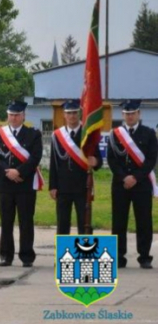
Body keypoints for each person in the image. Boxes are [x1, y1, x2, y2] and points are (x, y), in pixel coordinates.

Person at [0, 100, 43, 267]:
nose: (13, 118)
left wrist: (19, 172)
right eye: (11, 115)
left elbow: (35, 157)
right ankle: (6, 256)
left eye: (17, 115)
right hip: (5, 184)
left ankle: (27, 256)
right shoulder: (0, 134)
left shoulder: (33, 134)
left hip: (25, 184)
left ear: (23, 116)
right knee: (6, 222)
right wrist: (9, 172)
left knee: (26, 221)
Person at [108, 99, 157, 269]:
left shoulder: (149, 133)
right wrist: (124, 178)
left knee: (143, 221)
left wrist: (135, 177)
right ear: (123, 115)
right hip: (120, 185)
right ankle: (119, 257)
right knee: (119, 221)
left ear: (139, 114)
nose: (130, 116)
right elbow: (112, 160)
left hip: (141, 184)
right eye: (127, 114)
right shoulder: (115, 134)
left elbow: (151, 160)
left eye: (133, 113)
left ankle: (144, 256)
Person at [48, 99, 102, 235]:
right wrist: (52, 186)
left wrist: (95, 161)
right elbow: (54, 163)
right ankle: (64, 254)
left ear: (79, 114)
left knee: (84, 224)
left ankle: (85, 254)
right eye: (69, 113)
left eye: (75, 112)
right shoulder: (57, 136)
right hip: (63, 187)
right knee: (62, 224)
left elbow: (98, 159)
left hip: (82, 186)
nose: (72, 116)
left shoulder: (88, 134)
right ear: (64, 115)